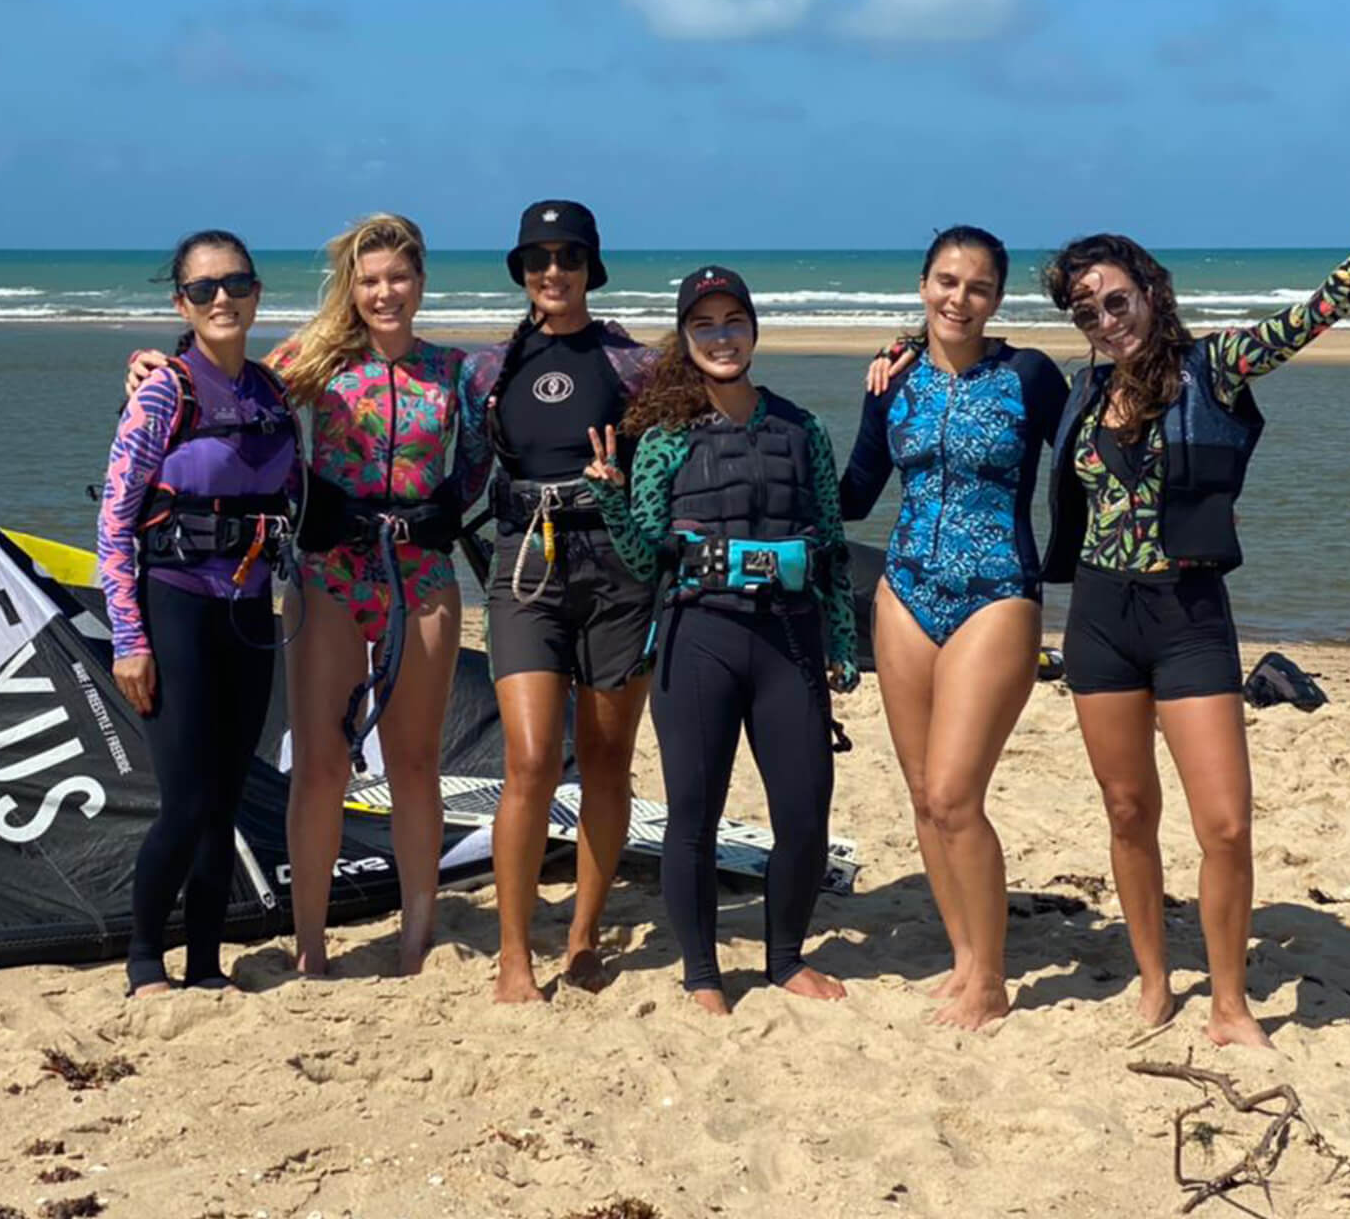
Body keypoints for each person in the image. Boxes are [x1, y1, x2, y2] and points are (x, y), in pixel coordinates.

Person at [1038, 147, 1350, 1046]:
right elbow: (980, 374)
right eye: (1086, 310)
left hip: (1190, 618)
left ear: (1150, 291)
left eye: (1118, 299)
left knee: (1224, 825)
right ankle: (1155, 981)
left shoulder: (1214, 369)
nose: (1106, 320)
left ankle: (1228, 1002)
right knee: (1126, 811)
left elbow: (1318, 310)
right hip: (1102, 620)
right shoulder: (1080, 392)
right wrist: (904, 349)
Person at [125, 214, 485, 977]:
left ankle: (419, 937)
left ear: (420, 282)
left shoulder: (456, 371)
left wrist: (440, 510)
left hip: (422, 578)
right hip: (328, 574)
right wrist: (150, 365)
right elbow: (219, 384)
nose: (385, 293)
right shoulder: (309, 363)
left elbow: (481, 467)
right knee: (321, 764)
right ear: (351, 289)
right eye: (370, 279)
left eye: (399, 277)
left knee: (416, 763)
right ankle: (311, 946)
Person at [586, 265, 859, 1016]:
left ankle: (784, 959)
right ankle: (702, 973)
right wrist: (611, 498)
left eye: (733, 320)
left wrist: (841, 643)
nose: (721, 336)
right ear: (685, 337)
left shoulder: (803, 430)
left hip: (789, 641)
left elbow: (831, 543)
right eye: (704, 324)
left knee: (804, 813)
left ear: (754, 330)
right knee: (693, 814)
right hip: (697, 637)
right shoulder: (665, 440)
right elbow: (645, 558)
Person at [839, 226, 1069, 1030]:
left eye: (976, 287)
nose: (958, 298)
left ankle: (994, 976)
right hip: (904, 594)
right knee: (921, 797)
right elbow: (856, 493)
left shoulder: (1030, 376)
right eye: (945, 281)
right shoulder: (892, 379)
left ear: (997, 299)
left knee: (955, 793)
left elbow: (1086, 460)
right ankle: (965, 957)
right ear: (922, 285)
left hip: (998, 594)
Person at [453, 201, 660, 1003]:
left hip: (618, 572)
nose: (552, 272)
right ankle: (514, 955)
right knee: (532, 761)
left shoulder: (635, 366)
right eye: (537, 258)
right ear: (521, 270)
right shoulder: (487, 370)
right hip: (524, 569)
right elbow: (460, 467)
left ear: (590, 266)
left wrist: (902, 347)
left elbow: (711, 404)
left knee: (607, 761)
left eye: (568, 257)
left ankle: (580, 938)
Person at [97, 228, 299, 997]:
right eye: (204, 288)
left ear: (256, 293)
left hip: (250, 616)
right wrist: (129, 638)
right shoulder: (163, 391)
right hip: (175, 607)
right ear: (181, 301)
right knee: (183, 802)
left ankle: (208, 964)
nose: (223, 299)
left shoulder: (272, 391)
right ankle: (146, 960)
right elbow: (115, 522)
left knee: (224, 799)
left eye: (237, 284)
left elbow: (298, 499)